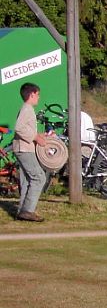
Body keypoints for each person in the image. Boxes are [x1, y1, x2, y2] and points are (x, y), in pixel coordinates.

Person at [13, 82, 47, 222]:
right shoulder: (27, 108)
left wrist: (40, 136)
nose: (39, 97)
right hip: (24, 149)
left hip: (24, 148)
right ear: (31, 94)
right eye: (38, 94)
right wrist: (35, 138)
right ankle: (28, 211)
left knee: (27, 180)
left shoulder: (27, 109)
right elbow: (19, 128)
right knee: (39, 178)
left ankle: (22, 211)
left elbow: (25, 129)